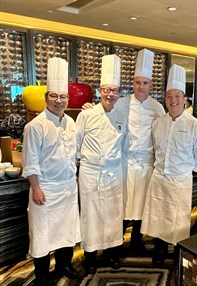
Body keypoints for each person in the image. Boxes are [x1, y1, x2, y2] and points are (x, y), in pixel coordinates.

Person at [82, 49, 165, 256]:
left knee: (142, 207)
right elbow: (104, 112)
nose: (141, 87)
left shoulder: (157, 108)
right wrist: (90, 107)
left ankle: (136, 241)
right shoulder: (121, 102)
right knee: (119, 208)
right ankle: (115, 245)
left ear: (151, 86)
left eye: (145, 83)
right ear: (132, 84)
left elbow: (163, 134)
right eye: (137, 82)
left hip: (147, 163)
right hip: (124, 163)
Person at [22, 57, 81, 286]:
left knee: (66, 231)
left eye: (63, 96)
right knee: (43, 235)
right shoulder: (34, 126)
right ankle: (41, 277)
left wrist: (75, 176)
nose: (59, 101)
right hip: (45, 189)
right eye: (54, 96)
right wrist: (35, 188)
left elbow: (72, 153)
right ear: (46, 97)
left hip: (67, 188)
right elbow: (30, 161)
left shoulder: (70, 122)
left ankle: (64, 265)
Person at [141, 64, 197, 267]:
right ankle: (160, 251)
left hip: (180, 179)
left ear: (184, 99)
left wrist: (191, 169)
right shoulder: (158, 122)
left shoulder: (194, 124)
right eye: (169, 96)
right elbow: (153, 149)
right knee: (159, 217)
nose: (173, 100)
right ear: (165, 100)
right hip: (159, 177)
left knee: (178, 219)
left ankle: (178, 253)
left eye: (177, 96)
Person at [76, 54, 127, 274]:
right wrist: (76, 171)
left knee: (113, 215)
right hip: (91, 172)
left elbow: (125, 144)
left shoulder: (122, 116)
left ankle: (110, 254)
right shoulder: (86, 115)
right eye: (106, 89)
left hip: (114, 172)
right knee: (91, 215)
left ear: (119, 94)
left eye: (114, 90)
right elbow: (75, 146)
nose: (110, 94)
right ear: (99, 91)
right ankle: (89, 256)